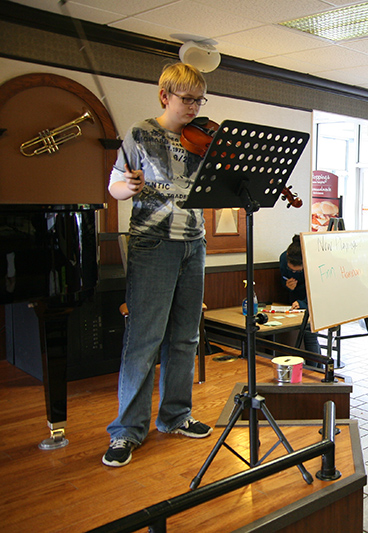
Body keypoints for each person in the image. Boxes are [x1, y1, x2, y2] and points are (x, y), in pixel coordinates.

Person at [103, 63, 213, 468]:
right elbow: (114, 185)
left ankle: (175, 416)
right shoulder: (139, 133)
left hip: (194, 244)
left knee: (185, 338)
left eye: (199, 100)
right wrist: (126, 187)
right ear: (165, 95)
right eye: (187, 99)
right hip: (153, 243)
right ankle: (127, 431)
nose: (194, 107)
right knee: (144, 340)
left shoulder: (202, 138)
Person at [280, 234, 321, 356]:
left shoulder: (315, 263)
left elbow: (318, 290)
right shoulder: (283, 258)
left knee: (310, 337)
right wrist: (287, 285)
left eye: (298, 271)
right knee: (303, 337)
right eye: (291, 270)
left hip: (312, 301)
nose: (294, 273)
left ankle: (316, 370)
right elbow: (283, 279)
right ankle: (317, 368)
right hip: (294, 304)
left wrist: (304, 303)